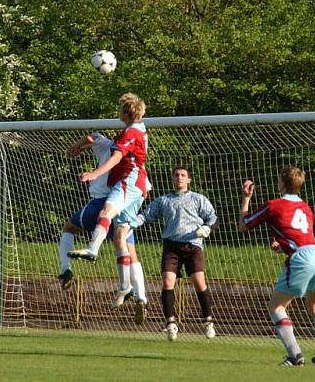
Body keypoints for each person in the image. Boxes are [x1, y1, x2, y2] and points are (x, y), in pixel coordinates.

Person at [239, 165, 315, 367]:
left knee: (276, 306)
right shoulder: (306, 207)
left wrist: (246, 198)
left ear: (281, 183)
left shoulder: (274, 204)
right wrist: (284, 247)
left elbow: (244, 224)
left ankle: (294, 356)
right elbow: (299, 236)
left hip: (302, 258)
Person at [69, 93, 149, 310]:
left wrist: (94, 174)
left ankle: (92, 249)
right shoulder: (137, 129)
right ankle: (125, 287)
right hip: (139, 186)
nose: (119, 112)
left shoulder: (131, 132)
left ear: (126, 112)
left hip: (129, 182)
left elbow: (116, 157)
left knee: (106, 212)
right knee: (120, 237)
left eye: (121, 108)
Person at [135, 166, 217, 341]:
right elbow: (146, 216)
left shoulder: (198, 199)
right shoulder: (164, 200)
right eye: (176, 175)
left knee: (198, 281)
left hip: (193, 245)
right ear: (172, 179)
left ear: (188, 180)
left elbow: (213, 218)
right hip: (171, 246)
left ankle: (208, 320)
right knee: (167, 281)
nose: (179, 178)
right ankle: (171, 323)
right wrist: (130, 222)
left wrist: (207, 228)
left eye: (183, 175)